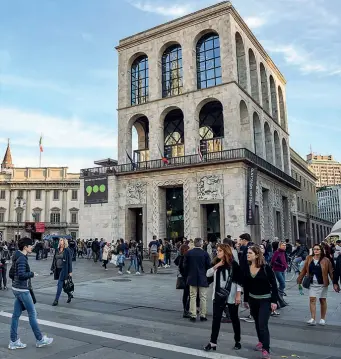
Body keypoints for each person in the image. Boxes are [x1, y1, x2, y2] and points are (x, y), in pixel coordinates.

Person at [9, 237, 53, 350]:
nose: (32, 247)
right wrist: (32, 274)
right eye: (30, 245)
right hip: (22, 289)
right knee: (32, 313)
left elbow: (11, 274)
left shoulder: (16, 255)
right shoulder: (22, 258)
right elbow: (22, 274)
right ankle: (40, 339)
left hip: (16, 288)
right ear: (25, 247)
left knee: (15, 316)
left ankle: (13, 341)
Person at [204, 244, 242, 351]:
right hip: (218, 295)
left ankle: (237, 341)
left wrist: (238, 294)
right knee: (216, 319)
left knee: (234, 318)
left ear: (225, 252)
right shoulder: (216, 262)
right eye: (217, 250)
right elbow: (208, 274)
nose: (217, 252)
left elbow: (239, 280)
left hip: (231, 295)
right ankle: (213, 342)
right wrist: (217, 265)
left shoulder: (234, 264)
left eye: (220, 251)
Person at [243, 246, 278, 359]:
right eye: (247, 253)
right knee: (257, 323)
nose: (247, 254)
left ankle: (266, 349)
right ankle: (261, 341)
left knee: (263, 324)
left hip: (265, 299)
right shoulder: (247, 267)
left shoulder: (266, 268)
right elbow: (246, 285)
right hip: (252, 299)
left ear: (257, 255)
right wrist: (245, 300)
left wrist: (274, 301)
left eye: (250, 253)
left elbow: (274, 284)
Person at [297, 244, 333, 326]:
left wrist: (335, 283)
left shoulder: (326, 260)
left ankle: (322, 318)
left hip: (323, 283)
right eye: (314, 249)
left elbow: (331, 272)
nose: (315, 250)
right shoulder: (309, 258)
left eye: (317, 249)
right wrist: (299, 279)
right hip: (312, 283)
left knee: (322, 300)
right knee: (312, 299)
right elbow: (304, 270)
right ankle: (313, 318)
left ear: (321, 251)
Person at [183, 237, 211, 322]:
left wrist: (188, 273)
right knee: (203, 297)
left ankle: (193, 315)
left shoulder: (188, 253)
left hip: (192, 277)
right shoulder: (205, 254)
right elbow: (208, 266)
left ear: (194, 243)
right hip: (202, 277)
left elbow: (185, 266)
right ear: (201, 244)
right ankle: (203, 315)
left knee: (192, 296)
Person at [51, 238, 73, 306]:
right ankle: (69, 294)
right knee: (63, 284)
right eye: (60, 241)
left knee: (59, 284)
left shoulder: (67, 250)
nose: (60, 242)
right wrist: (52, 268)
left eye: (61, 241)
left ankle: (56, 300)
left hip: (64, 269)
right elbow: (54, 259)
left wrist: (70, 271)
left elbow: (70, 261)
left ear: (64, 242)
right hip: (57, 269)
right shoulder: (57, 250)